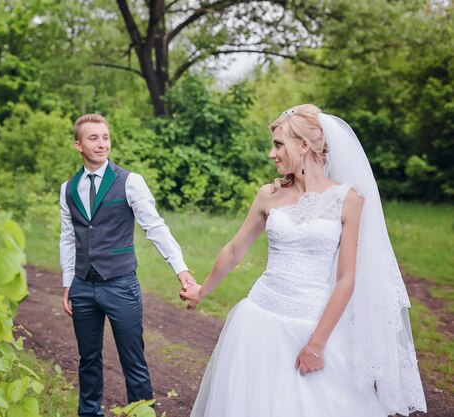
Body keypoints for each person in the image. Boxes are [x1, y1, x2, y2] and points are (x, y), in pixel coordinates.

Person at [180, 104, 426, 417]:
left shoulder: (349, 199)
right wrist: (202, 291)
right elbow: (234, 250)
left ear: (304, 145)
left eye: (278, 144)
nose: (272, 153)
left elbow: (346, 279)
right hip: (259, 319)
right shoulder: (268, 195)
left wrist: (316, 345)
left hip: (314, 324)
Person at [59, 113, 196, 417]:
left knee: (132, 360)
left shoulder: (130, 182)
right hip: (82, 286)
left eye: (105, 137)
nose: (102, 143)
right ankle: (89, 412)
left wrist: (181, 269)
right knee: (88, 359)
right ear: (78, 145)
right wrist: (68, 282)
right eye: (93, 138)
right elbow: (68, 237)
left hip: (120, 284)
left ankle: (141, 412)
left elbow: (155, 227)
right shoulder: (68, 188)